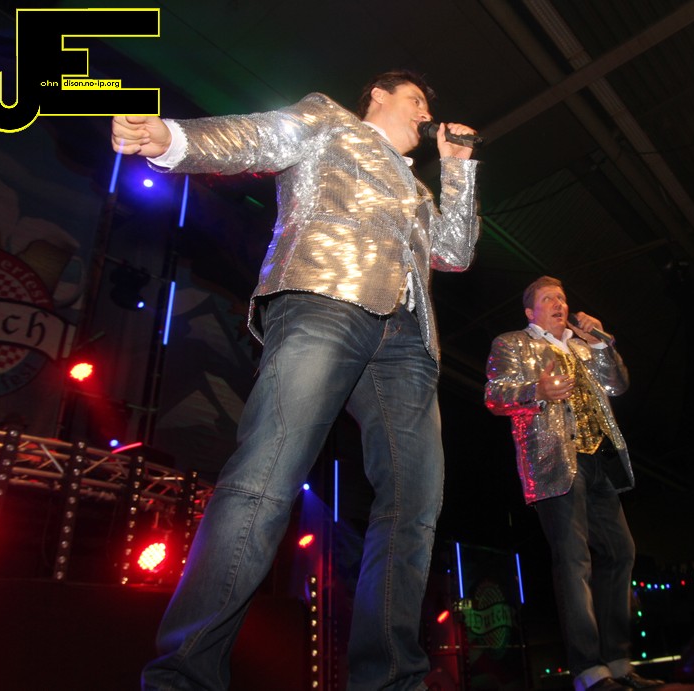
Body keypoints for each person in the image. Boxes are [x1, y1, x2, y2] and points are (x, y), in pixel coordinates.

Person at [111, 70, 480, 691]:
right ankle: (185, 676)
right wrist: (172, 139)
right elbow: (257, 135)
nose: (425, 115)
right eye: (416, 100)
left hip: (408, 341)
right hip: (326, 299)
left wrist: (459, 170)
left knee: (414, 506)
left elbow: (455, 252)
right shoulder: (328, 120)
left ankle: (390, 680)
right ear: (378, 95)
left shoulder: (418, 189)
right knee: (265, 476)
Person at [484, 276, 663, 691]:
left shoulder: (583, 346)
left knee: (620, 551)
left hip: (599, 457)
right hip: (555, 462)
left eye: (562, 298)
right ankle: (588, 671)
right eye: (548, 298)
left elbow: (618, 385)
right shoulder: (512, 343)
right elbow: (494, 395)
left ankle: (618, 661)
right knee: (574, 559)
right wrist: (537, 389)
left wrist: (600, 343)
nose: (558, 303)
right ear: (530, 312)